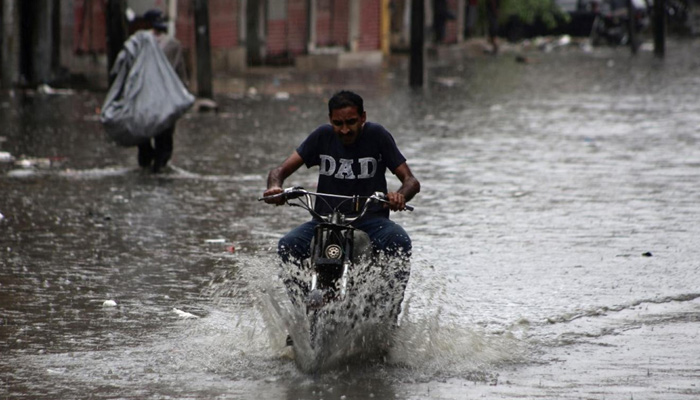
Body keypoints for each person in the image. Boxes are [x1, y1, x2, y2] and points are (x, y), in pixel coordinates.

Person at [262, 90, 420, 313]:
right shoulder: (322, 136)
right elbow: (279, 170)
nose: (345, 130)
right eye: (338, 123)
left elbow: (411, 181)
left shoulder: (377, 135)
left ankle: (388, 315)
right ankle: (303, 314)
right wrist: (275, 187)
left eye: (351, 122)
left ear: (362, 118)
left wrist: (400, 195)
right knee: (288, 245)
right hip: (324, 222)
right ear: (330, 120)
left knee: (399, 240)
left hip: (370, 221)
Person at [137, 9, 188, 173]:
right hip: (165, 101)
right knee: (164, 140)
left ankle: (147, 165)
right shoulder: (173, 45)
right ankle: (159, 167)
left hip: (144, 100)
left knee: (144, 139)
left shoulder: (139, 42)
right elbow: (181, 76)